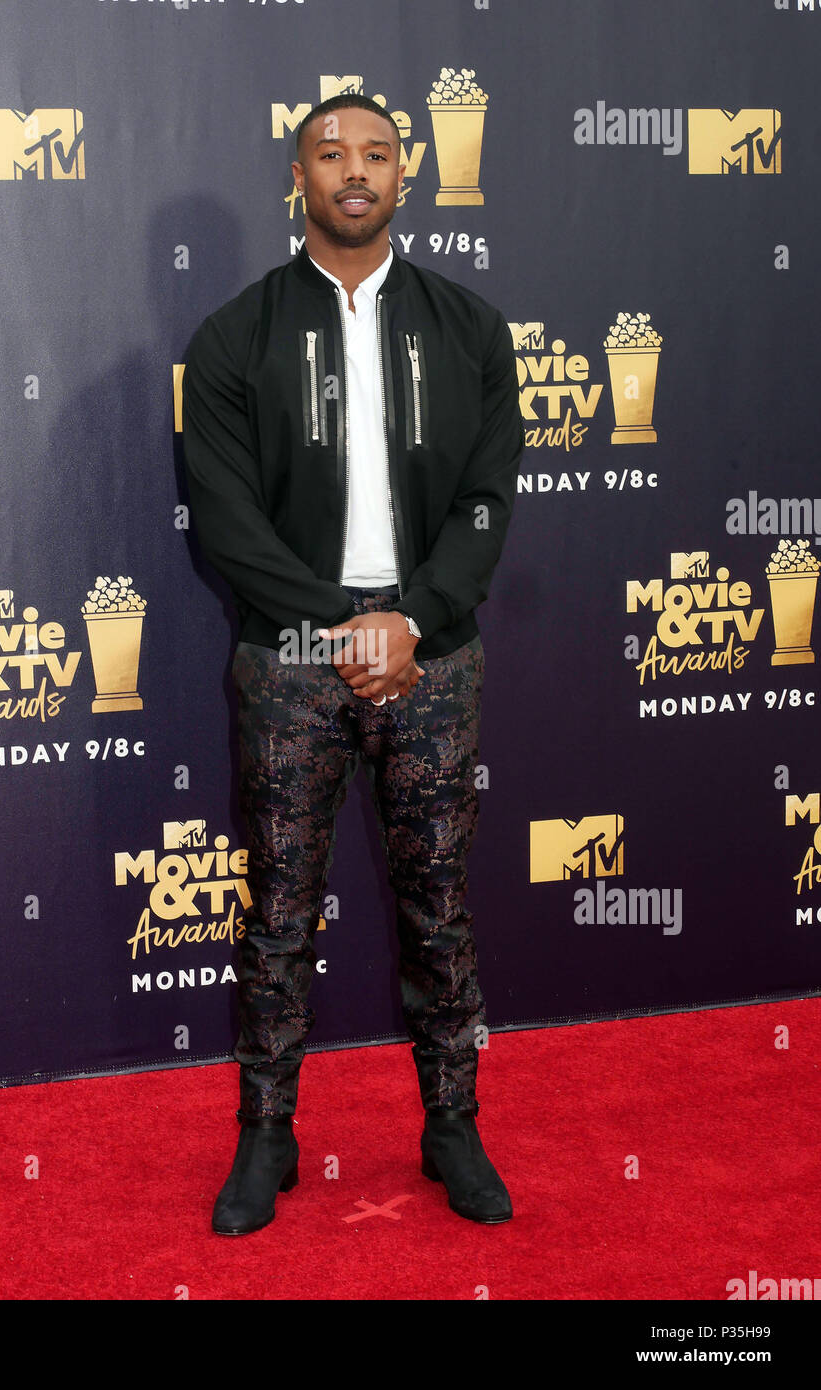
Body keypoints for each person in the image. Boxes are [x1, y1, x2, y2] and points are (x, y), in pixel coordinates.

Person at [182, 94, 524, 1235]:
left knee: (440, 907)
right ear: (299, 173)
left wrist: (410, 620)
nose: (355, 171)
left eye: (376, 153)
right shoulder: (234, 338)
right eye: (332, 154)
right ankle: (266, 1135)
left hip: (433, 657)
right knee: (277, 909)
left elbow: (485, 504)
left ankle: (453, 1124)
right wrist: (343, 621)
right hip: (290, 657)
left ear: (405, 173)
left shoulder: (472, 329)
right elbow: (225, 522)